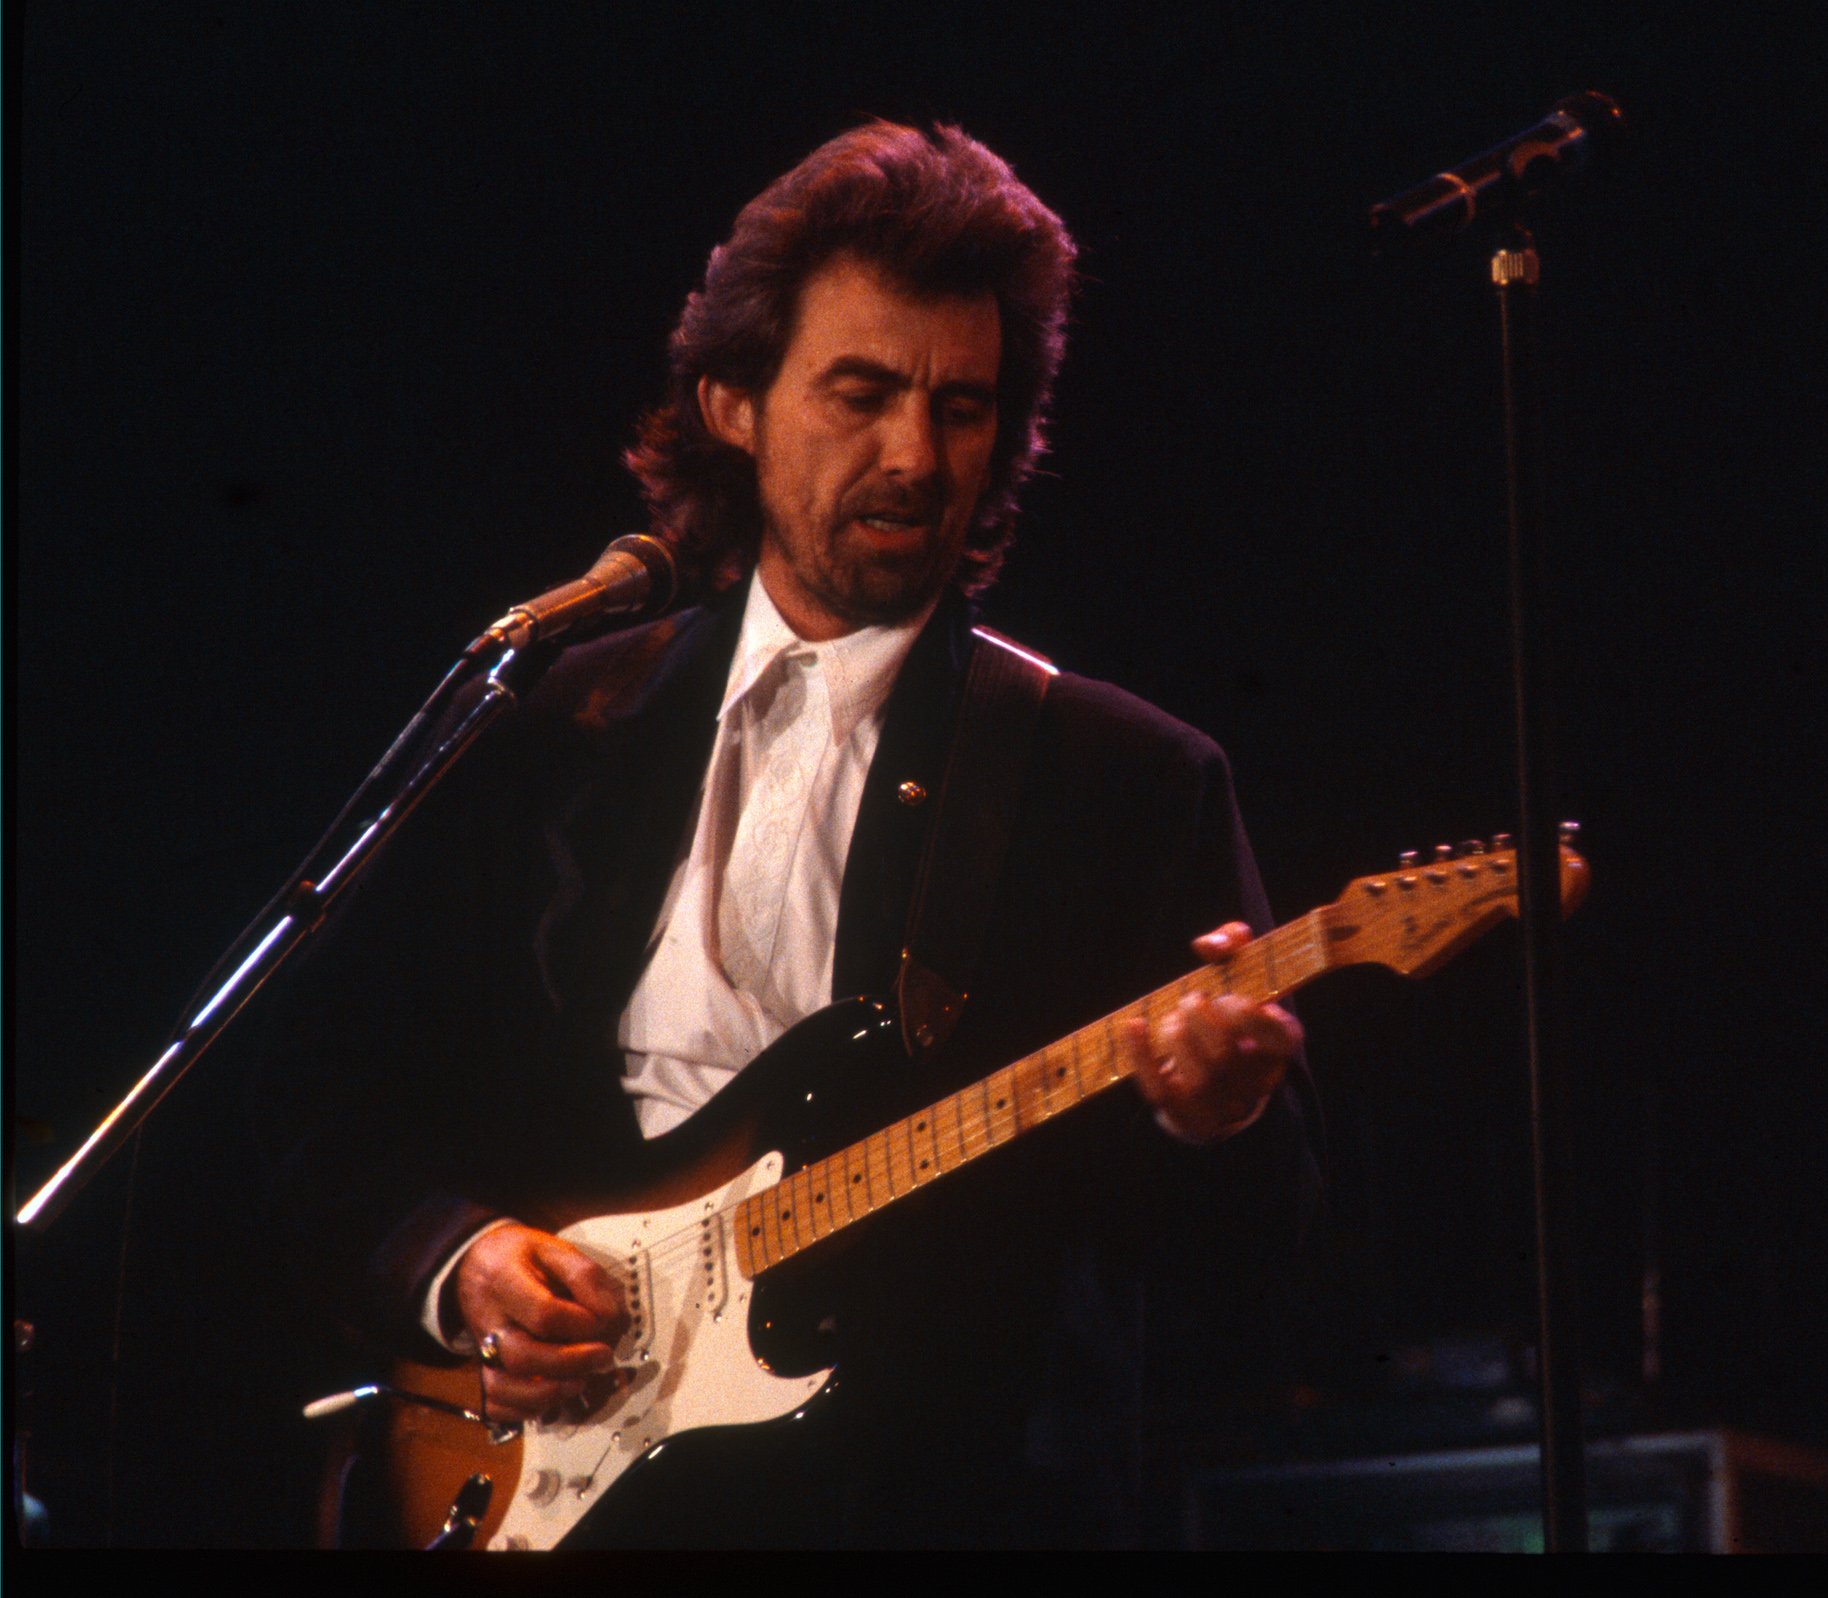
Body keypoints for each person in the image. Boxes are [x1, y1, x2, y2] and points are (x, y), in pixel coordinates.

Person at [249, 119, 1320, 1548]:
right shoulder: (555, 723)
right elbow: (319, 1114)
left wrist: (1219, 1120)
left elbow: (1264, 1271)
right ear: (733, 403)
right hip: (537, 1475)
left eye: (962, 408)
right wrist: (463, 1263)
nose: (914, 455)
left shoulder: (1125, 781)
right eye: (861, 393)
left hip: (917, 1500)